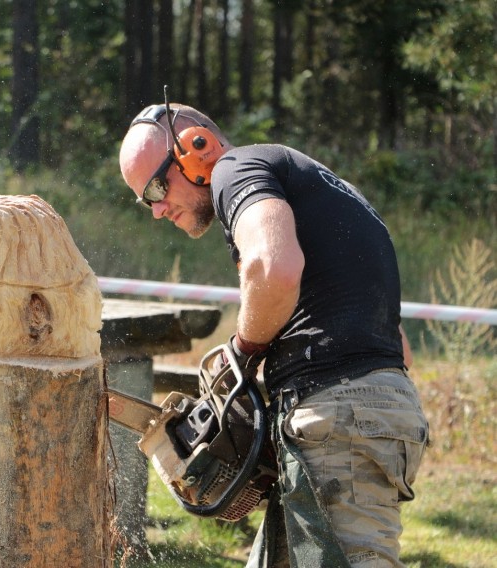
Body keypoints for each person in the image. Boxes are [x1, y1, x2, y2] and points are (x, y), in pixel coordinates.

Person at [118, 101, 429, 568]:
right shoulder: (327, 192)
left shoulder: (236, 169)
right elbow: (395, 346)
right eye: (146, 199)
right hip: (354, 414)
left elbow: (272, 266)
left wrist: (241, 354)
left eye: (159, 186)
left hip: (335, 421)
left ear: (196, 148)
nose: (158, 208)